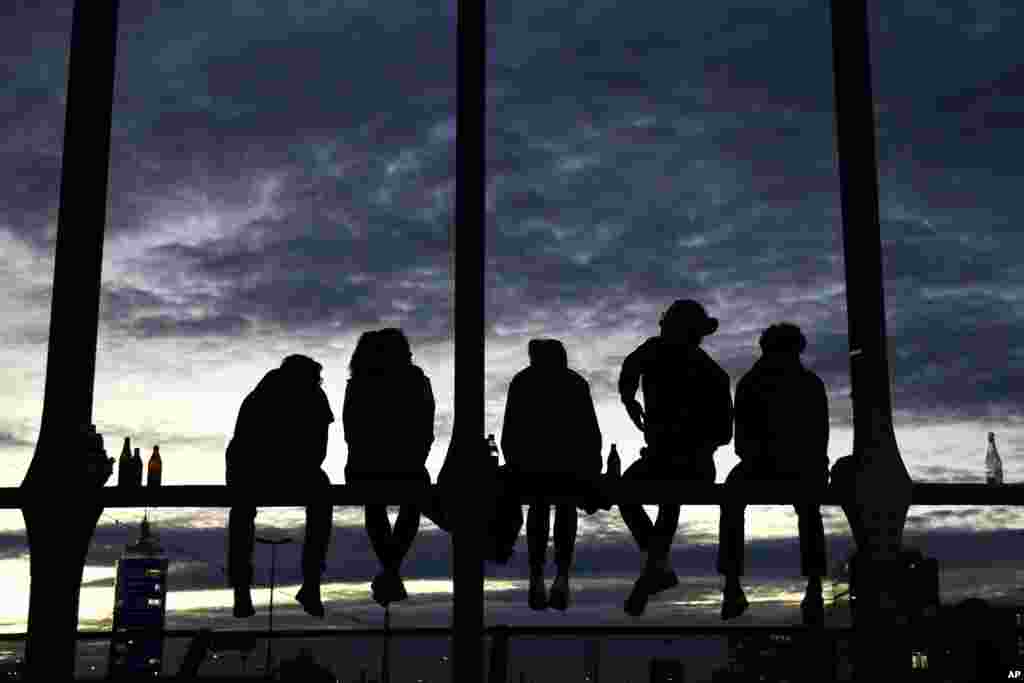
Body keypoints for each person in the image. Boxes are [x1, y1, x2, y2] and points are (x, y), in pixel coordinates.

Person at [617, 299, 733, 616]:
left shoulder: (656, 352)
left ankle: (657, 566)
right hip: (691, 466)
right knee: (655, 493)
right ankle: (657, 565)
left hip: (674, 462)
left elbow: (630, 369)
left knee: (633, 490)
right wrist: (629, 399)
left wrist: (630, 400)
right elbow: (725, 434)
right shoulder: (712, 371)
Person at [717, 323, 829, 625]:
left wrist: (761, 459)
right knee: (809, 510)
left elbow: (741, 441)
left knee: (731, 497)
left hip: (761, 466)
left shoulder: (751, 383)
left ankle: (732, 585)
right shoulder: (810, 384)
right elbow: (819, 438)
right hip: (801, 467)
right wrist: (815, 467)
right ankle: (815, 588)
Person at [226, 354, 335, 619]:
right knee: (320, 494)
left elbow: (241, 446)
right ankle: (310, 583)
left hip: (255, 469)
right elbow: (319, 449)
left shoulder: (263, 393)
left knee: (242, 510)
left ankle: (243, 589)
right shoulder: (307, 395)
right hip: (259, 468)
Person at [501, 339, 602, 611]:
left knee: (538, 507)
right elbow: (590, 433)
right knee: (565, 509)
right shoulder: (575, 383)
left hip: (532, 467)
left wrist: (514, 462)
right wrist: (593, 466)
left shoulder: (522, 381)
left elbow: (510, 430)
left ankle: (537, 574)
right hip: (569, 468)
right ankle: (562, 574)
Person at [343, 328, 435, 607]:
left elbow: (352, 430)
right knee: (413, 498)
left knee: (375, 504)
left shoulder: (358, 382)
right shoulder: (416, 379)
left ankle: (391, 572)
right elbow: (425, 426)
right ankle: (391, 571)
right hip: (407, 465)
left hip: (365, 467)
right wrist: (415, 457)